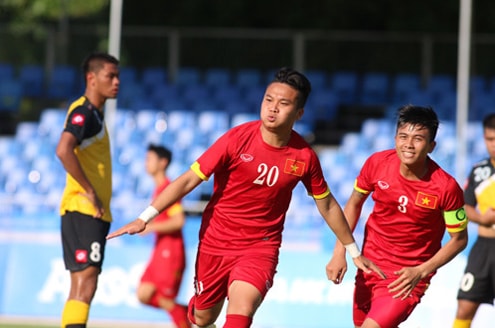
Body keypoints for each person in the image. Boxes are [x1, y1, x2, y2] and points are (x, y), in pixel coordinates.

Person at [107, 67, 385, 328]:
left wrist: (352, 250)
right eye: (269, 99)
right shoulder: (236, 139)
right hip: (216, 241)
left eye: (283, 103)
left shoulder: (304, 157)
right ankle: (197, 309)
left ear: (299, 112)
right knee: (203, 318)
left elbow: (326, 204)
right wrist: (145, 217)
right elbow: (189, 179)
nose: (273, 107)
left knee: (241, 314)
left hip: (260, 247)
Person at [326, 105, 468, 328]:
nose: (408, 145)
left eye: (418, 139)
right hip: (369, 267)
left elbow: (459, 240)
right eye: (403, 136)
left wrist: (420, 272)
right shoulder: (377, 163)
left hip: (406, 278)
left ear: (432, 146)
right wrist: (339, 252)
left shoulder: (446, 188)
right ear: (395, 138)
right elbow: (354, 204)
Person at [56, 52, 119, 328]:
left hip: (87, 212)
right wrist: (90, 192)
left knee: (82, 282)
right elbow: (63, 149)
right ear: (91, 78)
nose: (116, 82)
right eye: (110, 76)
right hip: (83, 209)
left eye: (118, 76)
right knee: (86, 280)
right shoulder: (84, 112)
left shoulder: (94, 114)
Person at [137, 144, 190, 328]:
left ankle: (184, 316)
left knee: (166, 301)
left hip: (171, 253)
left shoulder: (169, 189)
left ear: (163, 162)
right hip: (160, 251)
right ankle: (185, 313)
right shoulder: (158, 189)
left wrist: (151, 227)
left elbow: (179, 221)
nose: (146, 163)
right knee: (143, 294)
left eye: (149, 159)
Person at [452, 113, 495, 328]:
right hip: (483, 249)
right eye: (489, 139)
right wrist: (482, 218)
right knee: (465, 306)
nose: (493, 145)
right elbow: (465, 206)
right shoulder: (479, 171)